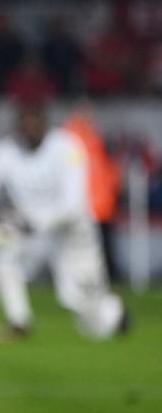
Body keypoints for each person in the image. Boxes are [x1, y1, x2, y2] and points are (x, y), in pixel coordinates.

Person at [0, 100, 129, 341]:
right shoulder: (7, 151)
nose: (30, 129)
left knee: (89, 318)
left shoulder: (68, 147)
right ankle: (19, 322)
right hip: (32, 234)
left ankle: (114, 309)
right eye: (25, 123)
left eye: (35, 122)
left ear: (45, 124)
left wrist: (34, 221)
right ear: (17, 126)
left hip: (72, 236)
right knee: (0, 242)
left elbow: (73, 205)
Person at [64, 110, 123, 284]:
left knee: (97, 248)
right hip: (90, 205)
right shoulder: (77, 142)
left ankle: (97, 279)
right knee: (92, 248)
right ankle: (94, 279)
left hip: (98, 205)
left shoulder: (92, 142)